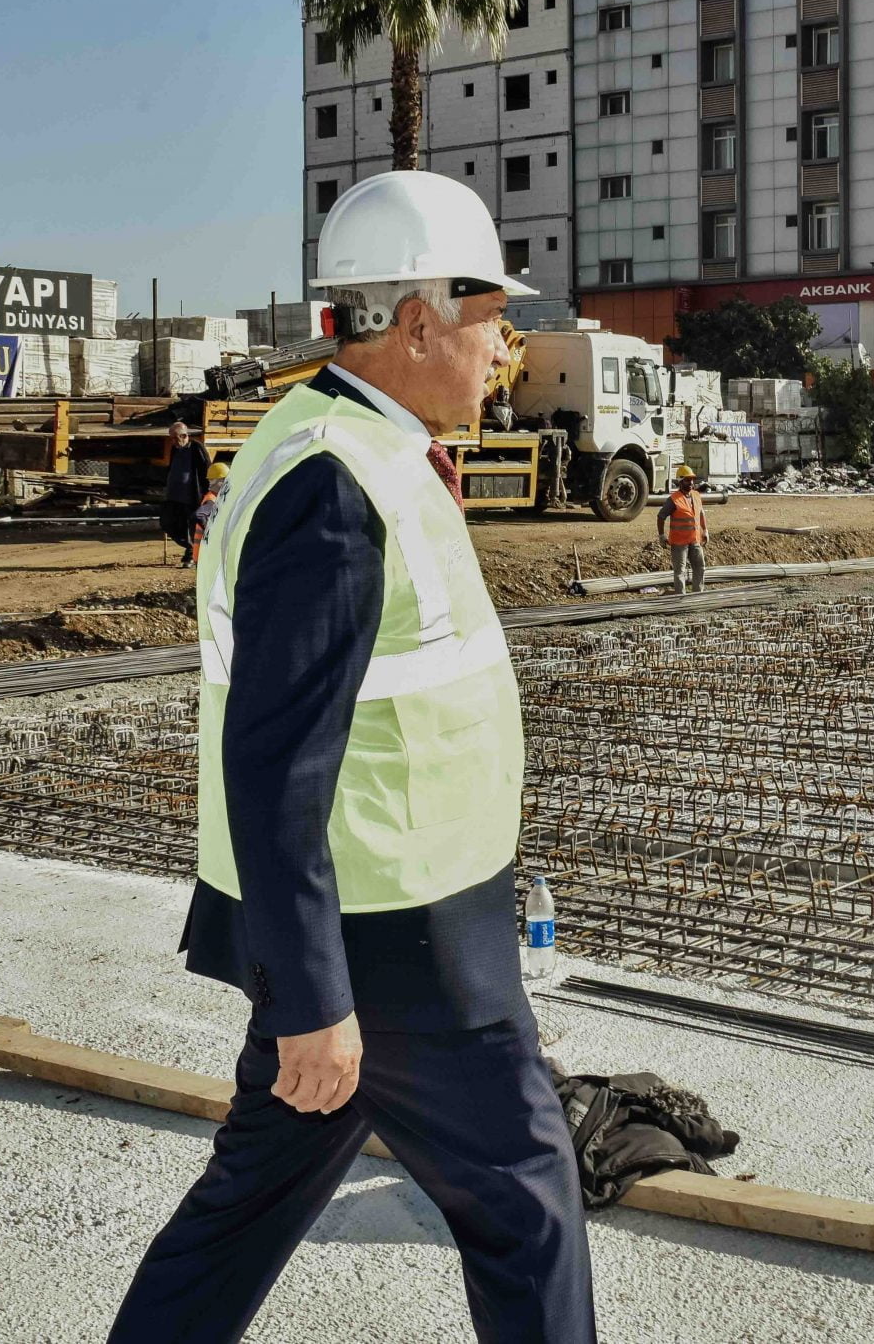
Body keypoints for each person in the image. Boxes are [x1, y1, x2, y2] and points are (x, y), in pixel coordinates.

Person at [108, 171, 593, 1344]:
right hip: (397, 940)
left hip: (384, 921)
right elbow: (273, 759)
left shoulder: (357, 446)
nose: (506, 343)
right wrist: (317, 999)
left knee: (247, 1208)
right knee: (527, 1206)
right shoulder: (333, 482)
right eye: (489, 313)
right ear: (418, 319)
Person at [160, 420, 206, 566]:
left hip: (191, 495)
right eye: (171, 437)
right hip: (174, 495)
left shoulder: (196, 448)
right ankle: (190, 547)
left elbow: (206, 469)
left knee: (191, 526)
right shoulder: (175, 449)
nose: (172, 441)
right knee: (167, 523)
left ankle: (191, 555)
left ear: (184, 435)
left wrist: (207, 493)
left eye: (175, 437)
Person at [655, 463, 706, 594]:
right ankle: (680, 598)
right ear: (680, 481)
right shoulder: (673, 500)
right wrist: (662, 535)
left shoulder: (696, 495)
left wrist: (705, 530)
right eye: (687, 480)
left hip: (695, 539)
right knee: (680, 571)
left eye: (692, 480)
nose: (691, 482)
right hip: (679, 543)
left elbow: (701, 513)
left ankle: (697, 595)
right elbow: (661, 516)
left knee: (700, 567)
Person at [187, 458, 230, 570]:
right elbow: (197, 516)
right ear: (219, 481)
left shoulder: (216, 498)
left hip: (203, 555)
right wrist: (212, 533)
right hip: (204, 556)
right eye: (225, 480)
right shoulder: (211, 500)